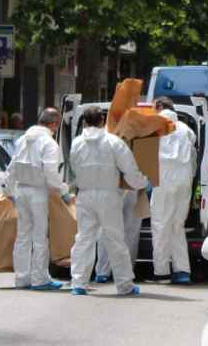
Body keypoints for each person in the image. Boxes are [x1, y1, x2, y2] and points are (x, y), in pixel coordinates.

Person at [69, 106, 148, 296]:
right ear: (102, 120)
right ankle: (124, 285)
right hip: (108, 195)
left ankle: (78, 283)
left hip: (85, 195)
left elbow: (73, 168)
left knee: (84, 240)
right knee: (115, 240)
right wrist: (142, 183)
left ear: (85, 122)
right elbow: (129, 169)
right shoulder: (114, 142)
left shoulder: (77, 143)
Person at [6, 108, 67, 290]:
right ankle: (40, 279)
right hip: (38, 193)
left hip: (21, 191)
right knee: (40, 236)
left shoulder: (23, 139)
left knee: (23, 236)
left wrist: (10, 192)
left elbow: (11, 168)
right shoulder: (49, 143)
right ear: (54, 124)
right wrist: (63, 190)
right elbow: (50, 172)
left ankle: (22, 278)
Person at [150, 97, 197, 284]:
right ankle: (182, 270)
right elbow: (193, 158)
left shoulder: (154, 126)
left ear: (160, 107)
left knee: (161, 225)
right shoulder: (187, 130)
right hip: (184, 182)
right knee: (177, 226)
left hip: (163, 180)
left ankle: (161, 272)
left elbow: (146, 156)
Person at [94, 191, 142, 284]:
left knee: (107, 229)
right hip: (132, 185)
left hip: (110, 187)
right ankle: (126, 272)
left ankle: (103, 272)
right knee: (130, 231)